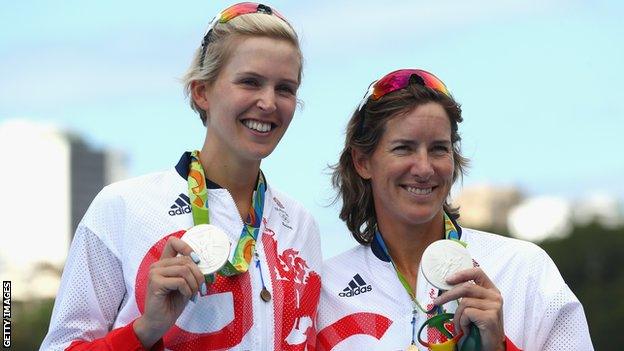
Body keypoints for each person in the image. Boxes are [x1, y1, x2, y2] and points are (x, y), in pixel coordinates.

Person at [40, 3, 322, 350]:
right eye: (250, 82)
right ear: (201, 91)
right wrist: (145, 329)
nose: (268, 102)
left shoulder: (301, 224)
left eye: (285, 89)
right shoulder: (123, 208)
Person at [316, 69, 593, 350]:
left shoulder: (524, 269)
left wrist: (498, 347)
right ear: (362, 161)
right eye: (404, 148)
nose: (424, 168)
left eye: (438, 149)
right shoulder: (324, 291)